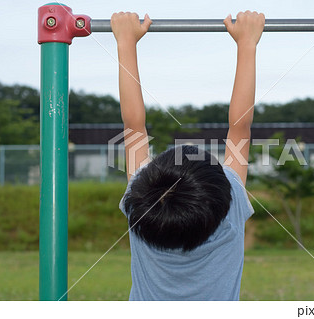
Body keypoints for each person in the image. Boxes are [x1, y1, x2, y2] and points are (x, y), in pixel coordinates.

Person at [111, 10, 265, 300]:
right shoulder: (230, 213)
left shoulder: (142, 210)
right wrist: (247, 44)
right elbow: (240, 126)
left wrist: (125, 42)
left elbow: (134, 125)